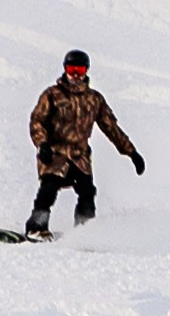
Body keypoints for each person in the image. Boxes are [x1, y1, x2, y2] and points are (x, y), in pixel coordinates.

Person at [25, 49, 143, 236]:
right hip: (55, 153)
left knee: (87, 192)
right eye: (72, 69)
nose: (75, 75)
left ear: (86, 71)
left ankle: (85, 231)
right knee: (49, 187)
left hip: (79, 156)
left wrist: (131, 152)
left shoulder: (93, 99)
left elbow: (111, 127)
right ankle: (37, 226)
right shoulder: (52, 95)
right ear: (65, 69)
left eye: (79, 70)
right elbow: (37, 120)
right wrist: (42, 144)